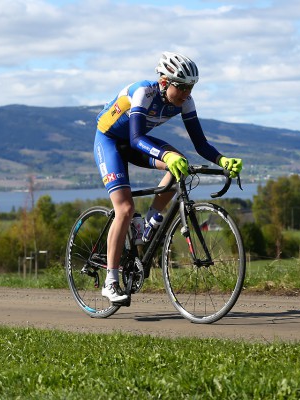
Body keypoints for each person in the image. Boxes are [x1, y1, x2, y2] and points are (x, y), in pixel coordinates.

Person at [93, 51, 243, 303]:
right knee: (125, 208)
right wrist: (167, 156)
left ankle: (149, 222)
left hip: (135, 141)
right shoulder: (144, 93)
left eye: (191, 87)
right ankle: (110, 282)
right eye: (182, 87)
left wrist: (222, 159)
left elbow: (201, 143)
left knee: (179, 163)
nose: (187, 93)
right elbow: (136, 138)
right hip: (110, 141)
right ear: (165, 82)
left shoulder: (185, 101)